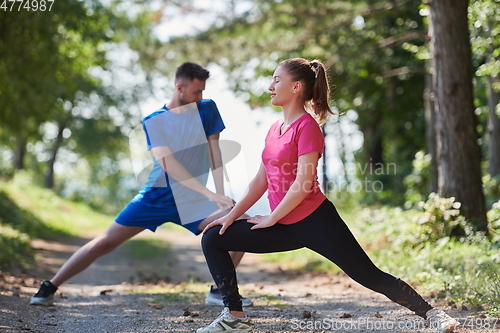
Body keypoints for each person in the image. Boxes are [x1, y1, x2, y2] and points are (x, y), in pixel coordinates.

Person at [196, 58, 461, 333]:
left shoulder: (307, 127)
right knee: (215, 237)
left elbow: (302, 182)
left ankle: (433, 314)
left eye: (276, 80)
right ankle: (234, 316)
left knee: (369, 275)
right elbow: (259, 182)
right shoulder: (274, 130)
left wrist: (272, 217)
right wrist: (232, 216)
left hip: (315, 220)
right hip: (281, 225)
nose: (270, 87)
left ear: (296, 86)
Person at [30, 62, 253, 308]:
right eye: (196, 92)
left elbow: (214, 153)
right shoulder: (154, 121)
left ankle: (219, 290)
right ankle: (49, 286)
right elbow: (169, 165)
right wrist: (209, 192)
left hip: (192, 201)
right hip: (155, 197)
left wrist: (220, 195)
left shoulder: (207, 109)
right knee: (105, 242)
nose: (200, 97)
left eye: (202, 91)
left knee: (238, 222)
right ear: (179, 87)